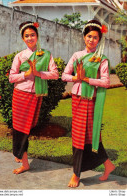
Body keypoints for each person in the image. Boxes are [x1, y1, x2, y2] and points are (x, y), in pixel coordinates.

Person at [62, 20, 115, 188]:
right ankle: (77, 173)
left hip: (92, 101)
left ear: (99, 40)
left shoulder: (102, 59)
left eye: (95, 37)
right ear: (84, 37)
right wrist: (76, 78)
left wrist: (87, 79)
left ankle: (105, 165)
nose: (91, 40)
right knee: (78, 136)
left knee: (92, 136)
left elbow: (106, 82)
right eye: (89, 36)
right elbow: (64, 76)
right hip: (78, 100)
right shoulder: (77, 56)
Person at [9, 21, 59, 174]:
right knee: (19, 129)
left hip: (35, 95)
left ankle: (20, 153)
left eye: (32, 35)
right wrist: (26, 74)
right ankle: (24, 162)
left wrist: (37, 73)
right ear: (23, 39)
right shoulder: (20, 56)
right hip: (20, 95)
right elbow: (11, 77)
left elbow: (55, 74)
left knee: (26, 128)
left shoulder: (46, 55)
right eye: (26, 36)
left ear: (37, 36)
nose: (30, 38)